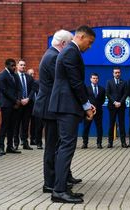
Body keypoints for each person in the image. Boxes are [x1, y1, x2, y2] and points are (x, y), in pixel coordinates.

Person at [48, 25, 96, 204]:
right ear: (81, 36)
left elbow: (75, 82)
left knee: (64, 146)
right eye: (89, 42)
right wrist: (86, 106)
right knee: (66, 147)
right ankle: (59, 191)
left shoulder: (70, 51)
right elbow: (75, 82)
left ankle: (61, 187)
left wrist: (87, 103)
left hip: (67, 105)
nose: (89, 46)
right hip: (66, 106)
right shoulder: (70, 52)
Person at [32, 29, 82, 197]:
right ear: (63, 44)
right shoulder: (54, 57)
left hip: (50, 106)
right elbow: (63, 83)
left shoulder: (51, 54)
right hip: (50, 108)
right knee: (53, 146)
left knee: (56, 146)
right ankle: (50, 183)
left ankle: (58, 179)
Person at [0, 58, 22, 155]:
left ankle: (10, 146)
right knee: (5, 125)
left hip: (15, 105)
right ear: (7, 65)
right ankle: (1, 147)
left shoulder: (15, 76)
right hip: (6, 104)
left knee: (12, 126)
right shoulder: (2, 75)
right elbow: (4, 90)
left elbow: (19, 88)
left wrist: (19, 100)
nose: (14, 67)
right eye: (12, 66)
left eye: (14, 65)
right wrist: (15, 100)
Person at [13, 59, 35, 150]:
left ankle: (25, 143)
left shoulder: (29, 77)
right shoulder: (14, 76)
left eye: (24, 65)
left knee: (25, 124)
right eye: (21, 65)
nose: (23, 66)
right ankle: (16, 143)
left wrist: (28, 98)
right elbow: (13, 90)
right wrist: (20, 99)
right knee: (16, 124)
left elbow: (33, 89)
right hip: (18, 104)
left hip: (27, 104)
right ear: (17, 66)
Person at [82, 73, 105, 149]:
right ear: (90, 79)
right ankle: (85, 143)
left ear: (98, 79)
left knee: (99, 128)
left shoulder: (102, 89)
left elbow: (103, 100)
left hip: (98, 111)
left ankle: (99, 143)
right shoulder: (86, 89)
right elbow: (84, 99)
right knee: (86, 127)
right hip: (89, 111)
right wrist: (90, 107)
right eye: (93, 78)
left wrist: (96, 107)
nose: (95, 79)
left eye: (96, 78)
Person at [106, 67, 128, 148]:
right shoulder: (109, 82)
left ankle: (123, 142)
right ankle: (110, 142)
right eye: (115, 72)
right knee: (111, 124)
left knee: (122, 124)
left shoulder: (124, 82)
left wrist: (120, 102)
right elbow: (108, 94)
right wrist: (115, 102)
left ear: (120, 73)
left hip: (121, 106)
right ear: (113, 73)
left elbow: (126, 93)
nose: (117, 74)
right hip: (112, 106)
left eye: (118, 72)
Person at [28, 68, 43, 149]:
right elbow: (33, 94)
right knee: (39, 126)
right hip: (39, 107)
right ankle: (39, 142)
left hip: (48, 107)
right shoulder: (36, 83)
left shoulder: (51, 82)